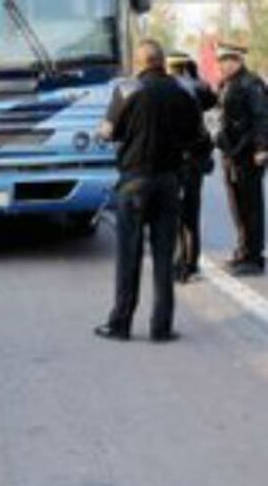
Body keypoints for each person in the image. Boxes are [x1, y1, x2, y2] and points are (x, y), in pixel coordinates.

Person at [94, 39, 200, 343]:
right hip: (169, 182)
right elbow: (197, 135)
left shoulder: (127, 89)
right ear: (162, 62)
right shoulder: (183, 90)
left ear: (139, 63)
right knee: (165, 257)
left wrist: (107, 132)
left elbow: (107, 133)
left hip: (134, 181)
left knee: (129, 255)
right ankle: (161, 327)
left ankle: (120, 324)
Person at [215, 43, 268, 276]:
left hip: (248, 153)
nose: (223, 65)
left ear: (238, 60)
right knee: (237, 205)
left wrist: (262, 148)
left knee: (251, 205)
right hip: (231, 152)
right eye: (221, 61)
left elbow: (261, 117)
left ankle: (254, 257)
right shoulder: (226, 84)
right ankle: (243, 251)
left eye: (227, 60)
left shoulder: (251, 83)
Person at [165, 51, 217, 283]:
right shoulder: (198, 87)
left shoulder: (166, 88)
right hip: (194, 158)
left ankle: (179, 263)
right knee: (191, 212)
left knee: (173, 214)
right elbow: (212, 101)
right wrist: (195, 75)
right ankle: (191, 263)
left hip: (172, 160)